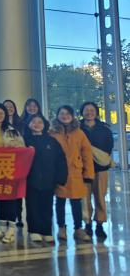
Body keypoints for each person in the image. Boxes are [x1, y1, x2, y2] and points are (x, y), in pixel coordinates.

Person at [50, 105, 94, 242]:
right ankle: (61, 228)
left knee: (76, 202)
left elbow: (87, 154)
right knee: (60, 202)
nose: (65, 116)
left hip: (76, 172)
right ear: (57, 116)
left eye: (68, 114)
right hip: (59, 173)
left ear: (72, 116)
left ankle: (78, 229)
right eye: (62, 113)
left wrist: (88, 174)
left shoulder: (79, 133)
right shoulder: (52, 133)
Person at [0, 103, 25, 243]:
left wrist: (15, 146)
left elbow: (22, 147)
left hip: (9, 168)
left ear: (5, 115)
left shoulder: (12, 130)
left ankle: (11, 229)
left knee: (11, 198)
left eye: (1, 113)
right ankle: (2, 228)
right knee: (0, 197)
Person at [23, 115, 68, 243]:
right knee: (32, 206)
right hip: (30, 180)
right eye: (33, 122)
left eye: (40, 122)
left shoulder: (51, 141)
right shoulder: (24, 140)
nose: (37, 124)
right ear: (28, 124)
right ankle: (34, 230)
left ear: (44, 125)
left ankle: (47, 231)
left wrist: (61, 178)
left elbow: (60, 160)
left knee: (47, 206)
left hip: (49, 180)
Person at [80, 101, 114, 239]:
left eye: (92, 110)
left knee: (100, 196)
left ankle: (100, 224)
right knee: (85, 198)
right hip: (82, 168)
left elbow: (109, 146)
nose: (89, 113)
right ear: (82, 112)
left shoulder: (104, 129)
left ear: (96, 112)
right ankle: (87, 224)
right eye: (86, 110)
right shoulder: (77, 128)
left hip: (100, 168)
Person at [3, 99, 25, 228]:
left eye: (11, 106)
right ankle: (6, 217)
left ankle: (19, 217)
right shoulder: (0, 124)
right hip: (4, 162)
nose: (9, 108)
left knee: (18, 190)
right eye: (6, 106)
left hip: (19, 161)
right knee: (6, 190)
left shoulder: (21, 123)